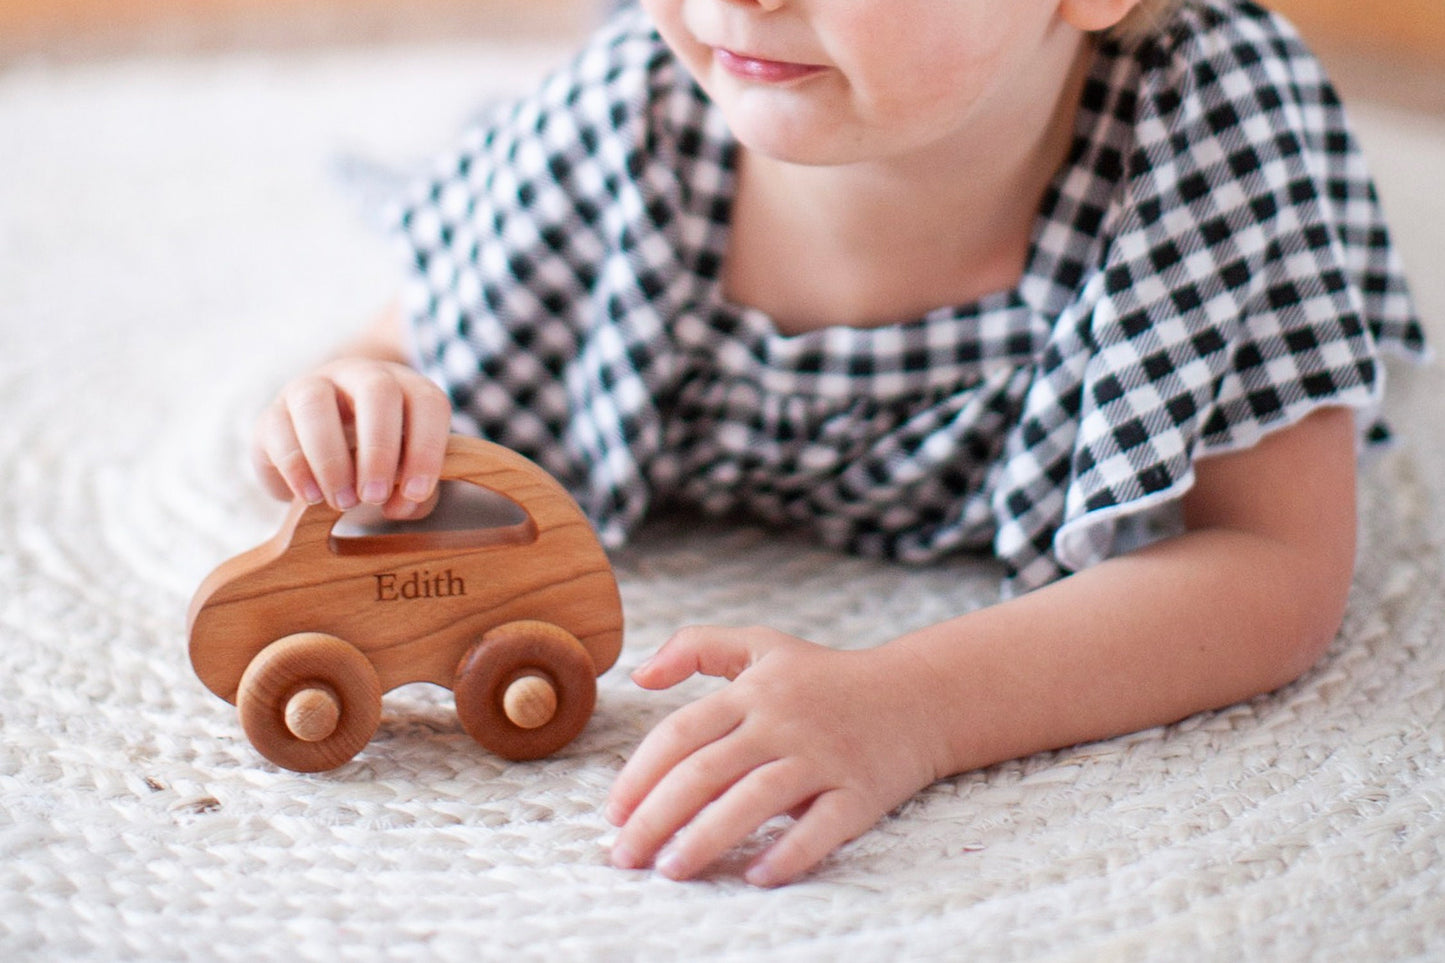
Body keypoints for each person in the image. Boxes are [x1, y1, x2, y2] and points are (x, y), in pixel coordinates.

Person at [251, 0, 1427, 887]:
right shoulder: (628, 117)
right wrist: (359, 414)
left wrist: (911, 704)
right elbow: (400, 366)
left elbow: (1273, 564)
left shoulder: (1204, 142)